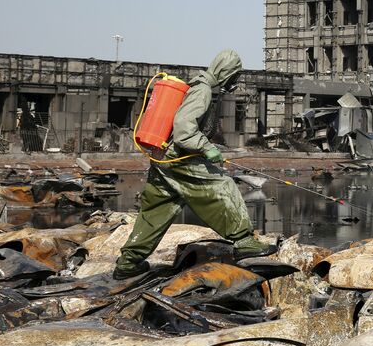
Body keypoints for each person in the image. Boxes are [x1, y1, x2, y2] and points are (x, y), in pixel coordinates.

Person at [114, 49, 271, 279]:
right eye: (234, 76)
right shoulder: (203, 91)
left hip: (163, 157)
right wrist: (207, 148)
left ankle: (129, 262)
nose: (234, 81)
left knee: (157, 209)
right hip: (178, 157)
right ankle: (244, 241)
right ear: (226, 72)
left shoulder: (199, 87)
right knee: (223, 185)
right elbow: (184, 130)